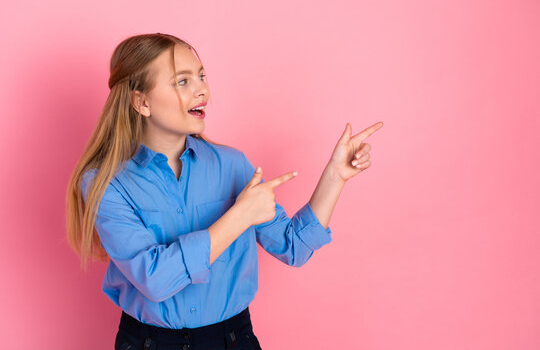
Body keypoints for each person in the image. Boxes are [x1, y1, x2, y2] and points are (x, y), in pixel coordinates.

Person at [65, 33, 383, 350]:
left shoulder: (233, 166)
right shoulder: (105, 182)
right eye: (182, 81)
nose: (202, 89)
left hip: (233, 340)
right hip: (149, 342)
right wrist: (239, 216)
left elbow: (294, 247)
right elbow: (156, 279)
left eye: (201, 76)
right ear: (142, 102)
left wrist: (336, 176)